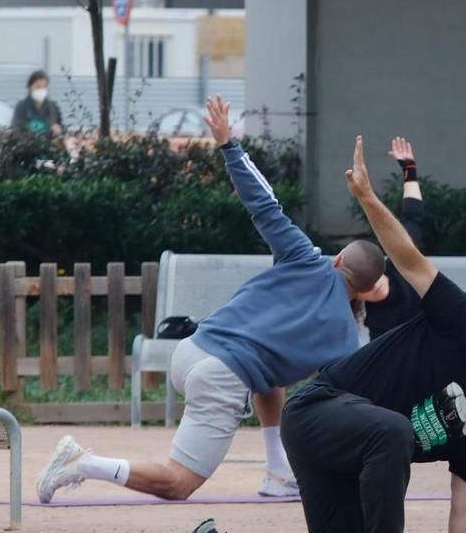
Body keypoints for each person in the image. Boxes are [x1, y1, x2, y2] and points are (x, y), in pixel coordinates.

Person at [150, 135, 466, 533]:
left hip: (350, 459)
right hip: (316, 412)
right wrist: (368, 197)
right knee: (394, 431)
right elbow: (408, 255)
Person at [37, 97, 390, 503]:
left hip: (190, 351)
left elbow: (263, 204)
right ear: (365, 291)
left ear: (339, 258)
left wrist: (229, 145)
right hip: (220, 378)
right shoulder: (346, 341)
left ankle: (278, 472)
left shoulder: (304, 256)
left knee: (269, 380)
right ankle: (82, 463)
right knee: (178, 483)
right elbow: (334, 405)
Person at [364, 136, 426, 338]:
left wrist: (409, 168)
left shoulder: (401, 262)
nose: (371, 283)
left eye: (370, 274)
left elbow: (412, 216)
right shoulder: (378, 326)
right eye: (362, 283)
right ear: (355, 295)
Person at [11, 70, 65, 143]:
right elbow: (16, 129)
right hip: (27, 150)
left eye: (44, 87)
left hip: (48, 150)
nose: (41, 90)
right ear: (30, 87)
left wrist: (59, 130)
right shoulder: (22, 106)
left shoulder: (53, 107)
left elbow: (62, 128)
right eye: (38, 87)